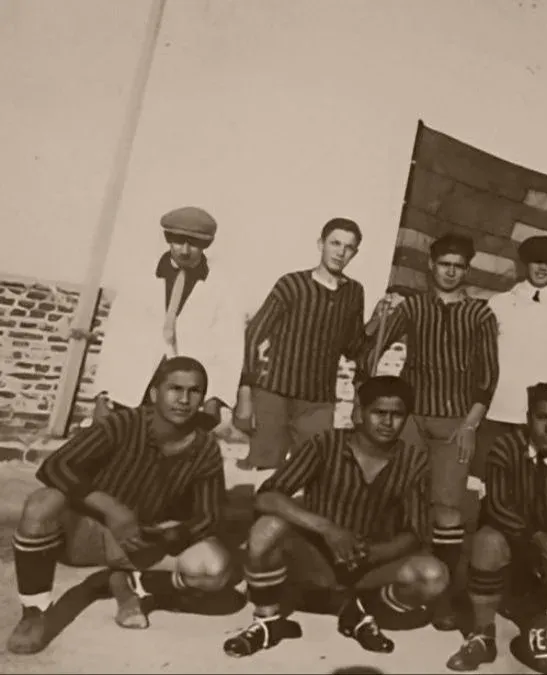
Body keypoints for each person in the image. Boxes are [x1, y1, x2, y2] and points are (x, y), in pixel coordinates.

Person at [7, 356, 233, 655]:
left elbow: (210, 515)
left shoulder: (204, 447)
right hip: (85, 532)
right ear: (154, 394)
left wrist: (177, 533)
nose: (183, 399)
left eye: (194, 392)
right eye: (174, 389)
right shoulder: (124, 424)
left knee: (214, 568)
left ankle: (134, 582)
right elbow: (55, 466)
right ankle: (34, 614)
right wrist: (112, 509)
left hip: (142, 540)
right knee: (43, 502)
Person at [223, 376, 448, 657]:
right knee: (266, 528)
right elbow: (267, 496)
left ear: (407, 418)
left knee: (432, 575)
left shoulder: (414, 460)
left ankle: (362, 611)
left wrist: (374, 553)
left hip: (369, 561)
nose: (387, 422)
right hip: (317, 556)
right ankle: (267, 622)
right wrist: (327, 529)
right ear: (359, 412)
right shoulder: (326, 444)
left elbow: (415, 532)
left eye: (397, 415)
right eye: (379, 412)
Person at [364, 234, 500, 630]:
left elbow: (488, 377)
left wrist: (470, 424)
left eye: (458, 265)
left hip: (456, 421)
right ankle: (398, 583)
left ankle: (444, 595)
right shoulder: (413, 307)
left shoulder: (479, 314)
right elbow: (369, 349)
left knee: (447, 508)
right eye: (445, 264)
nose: (451, 271)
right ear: (431, 265)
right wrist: (379, 314)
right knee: (400, 498)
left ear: (466, 269)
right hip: (411, 419)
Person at [445, 383, 547, 672]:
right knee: (487, 541)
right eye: (543, 418)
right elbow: (496, 506)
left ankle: (538, 605)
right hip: (518, 546)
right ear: (529, 417)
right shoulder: (506, 447)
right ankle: (483, 636)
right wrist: (535, 535)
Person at [91, 207, 245, 430]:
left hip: (183, 391)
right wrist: (102, 392)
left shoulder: (222, 287)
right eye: (178, 241)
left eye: (193, 244)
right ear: (168, 239)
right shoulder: (139, 276)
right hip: (135, 379)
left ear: (206, 245)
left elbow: (229, 347)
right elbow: (117, 336)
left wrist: (216, 398)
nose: (184, 250)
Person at [235, 217, 368, 470]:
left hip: (318, 401)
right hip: (275, 392)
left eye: (348, 247)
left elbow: (355, 347)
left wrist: (380, 319)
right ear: (321, 244)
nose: (340, 252)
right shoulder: (291, 284)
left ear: (355, 253)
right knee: (266, 468)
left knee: (312, 469)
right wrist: (244, 391)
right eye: (335, 243)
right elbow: (253, 335)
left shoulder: (354, 292)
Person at [481, 235, 547, 456]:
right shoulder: (499, 303)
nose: (542, 268)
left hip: (539, 418)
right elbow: (483, 357)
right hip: (497, 409)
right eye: (537, 261)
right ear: (526, 264)